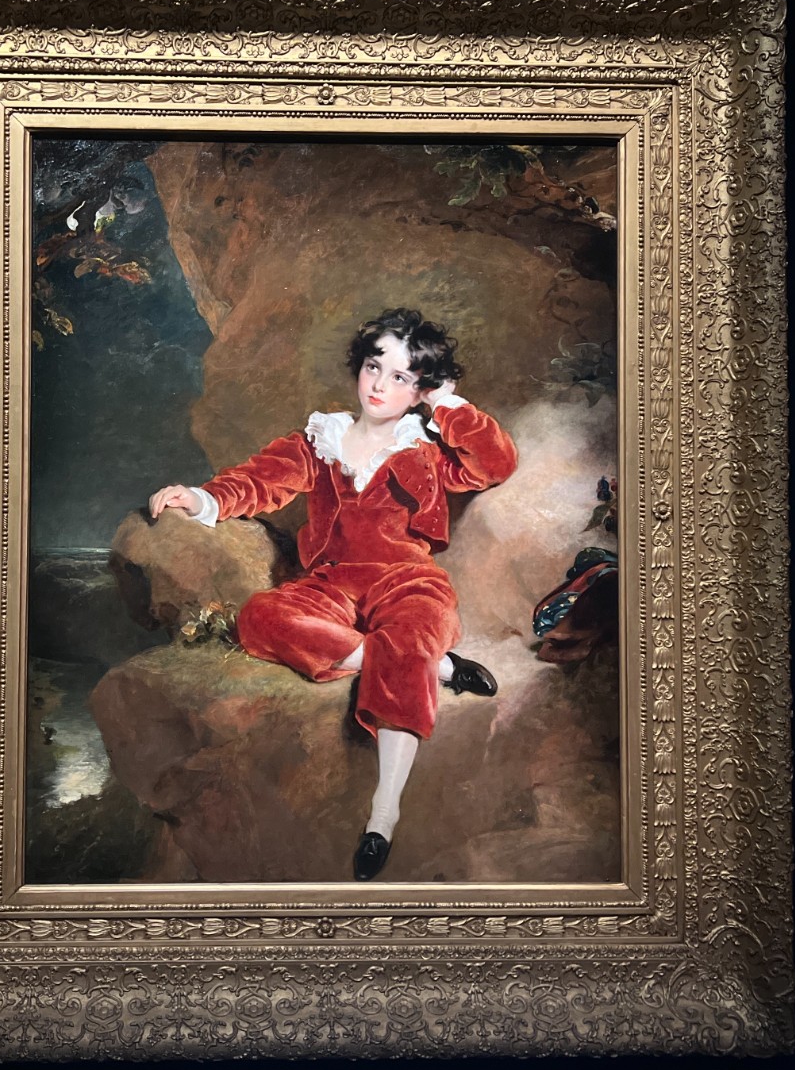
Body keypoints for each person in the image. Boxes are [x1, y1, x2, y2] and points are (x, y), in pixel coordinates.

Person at [148, 308, 518, 881]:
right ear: (358, 367)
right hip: (332, 583)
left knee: (412, 629)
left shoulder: (424, 447)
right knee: (261, 615)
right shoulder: (320, 440)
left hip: (407, 581)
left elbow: (495, 463)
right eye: (374, 367)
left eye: (400, 376)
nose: (379, 385)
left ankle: (383, 816)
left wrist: (445, 403)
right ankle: (434, 665)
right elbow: (258, 481)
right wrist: (197, 498)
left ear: (419, 388)